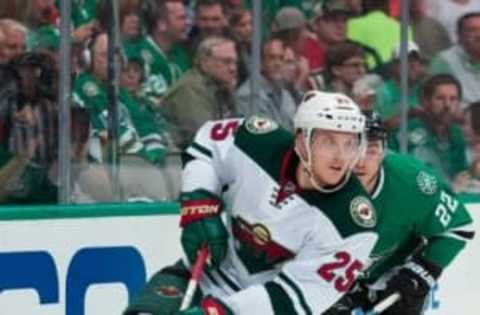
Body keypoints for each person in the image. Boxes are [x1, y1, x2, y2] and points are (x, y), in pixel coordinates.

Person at [124, 91, 379, 315]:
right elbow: (208, 145)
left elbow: (293, 299)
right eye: (328, 142)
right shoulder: (256, 140)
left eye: (350, 144)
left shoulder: (354, 223)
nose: (340, 157)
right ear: (302, 140)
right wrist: (200, 207)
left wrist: (219, 312)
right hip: (206, 275)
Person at [324, 111, 474, 315]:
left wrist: (421, 273)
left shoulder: (413, 181)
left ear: (384, 151)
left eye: (372, 149)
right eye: (352, 147)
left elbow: (458, 227)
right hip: (328, 277)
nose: (360, 161)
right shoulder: (312, 181)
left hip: (390, 275)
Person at [162, 36, 238, 150]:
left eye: (234, 62)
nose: (233, 68)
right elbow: (205, 138)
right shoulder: (189, 89)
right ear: (205, 61)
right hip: (176, 161)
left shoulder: (222, 87)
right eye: (226, 62)